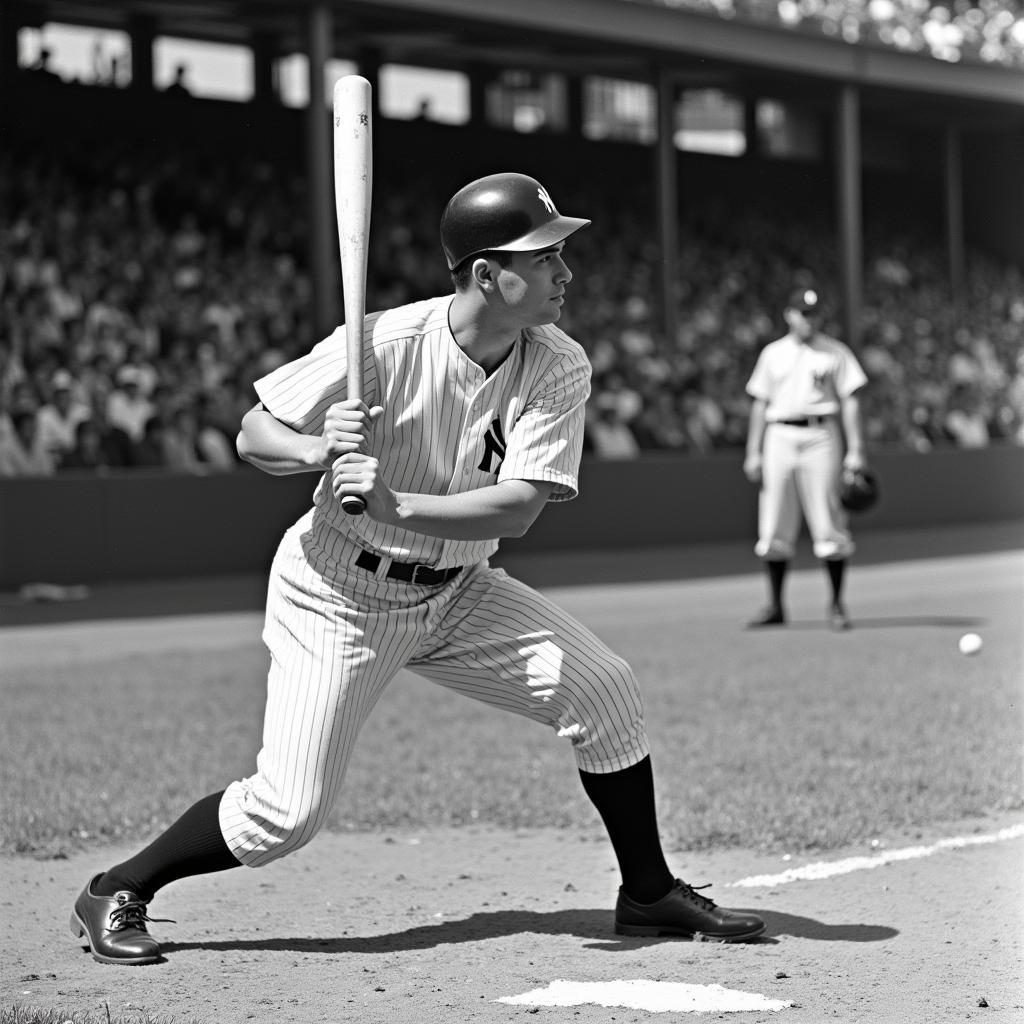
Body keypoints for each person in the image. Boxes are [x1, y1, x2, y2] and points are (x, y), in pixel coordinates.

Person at [70, 172, 765, 966]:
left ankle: (647, 893)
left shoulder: (559, 363)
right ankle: (116, 888)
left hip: (460, 590)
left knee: (604, 689)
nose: (566, 274)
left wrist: (396, 505)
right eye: (546, 259)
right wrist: (314, 450)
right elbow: (254, 433)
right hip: (337, 594)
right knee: (285, 815)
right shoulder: (382, 343)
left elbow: (517, 508)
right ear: (485, 274)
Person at [742, 286, 868, 631]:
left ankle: (838, 605)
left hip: (821, 435)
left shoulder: (835, 352)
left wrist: (856, 449)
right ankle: (776, 606)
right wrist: (753, 450)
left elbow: (852, 401)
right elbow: (760, 403)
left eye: (814, 313)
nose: (809, 319)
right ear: (789, 315)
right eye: (803, 312)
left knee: (830, 522)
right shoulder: (773, 353)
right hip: (778, 435)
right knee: (773, 523)